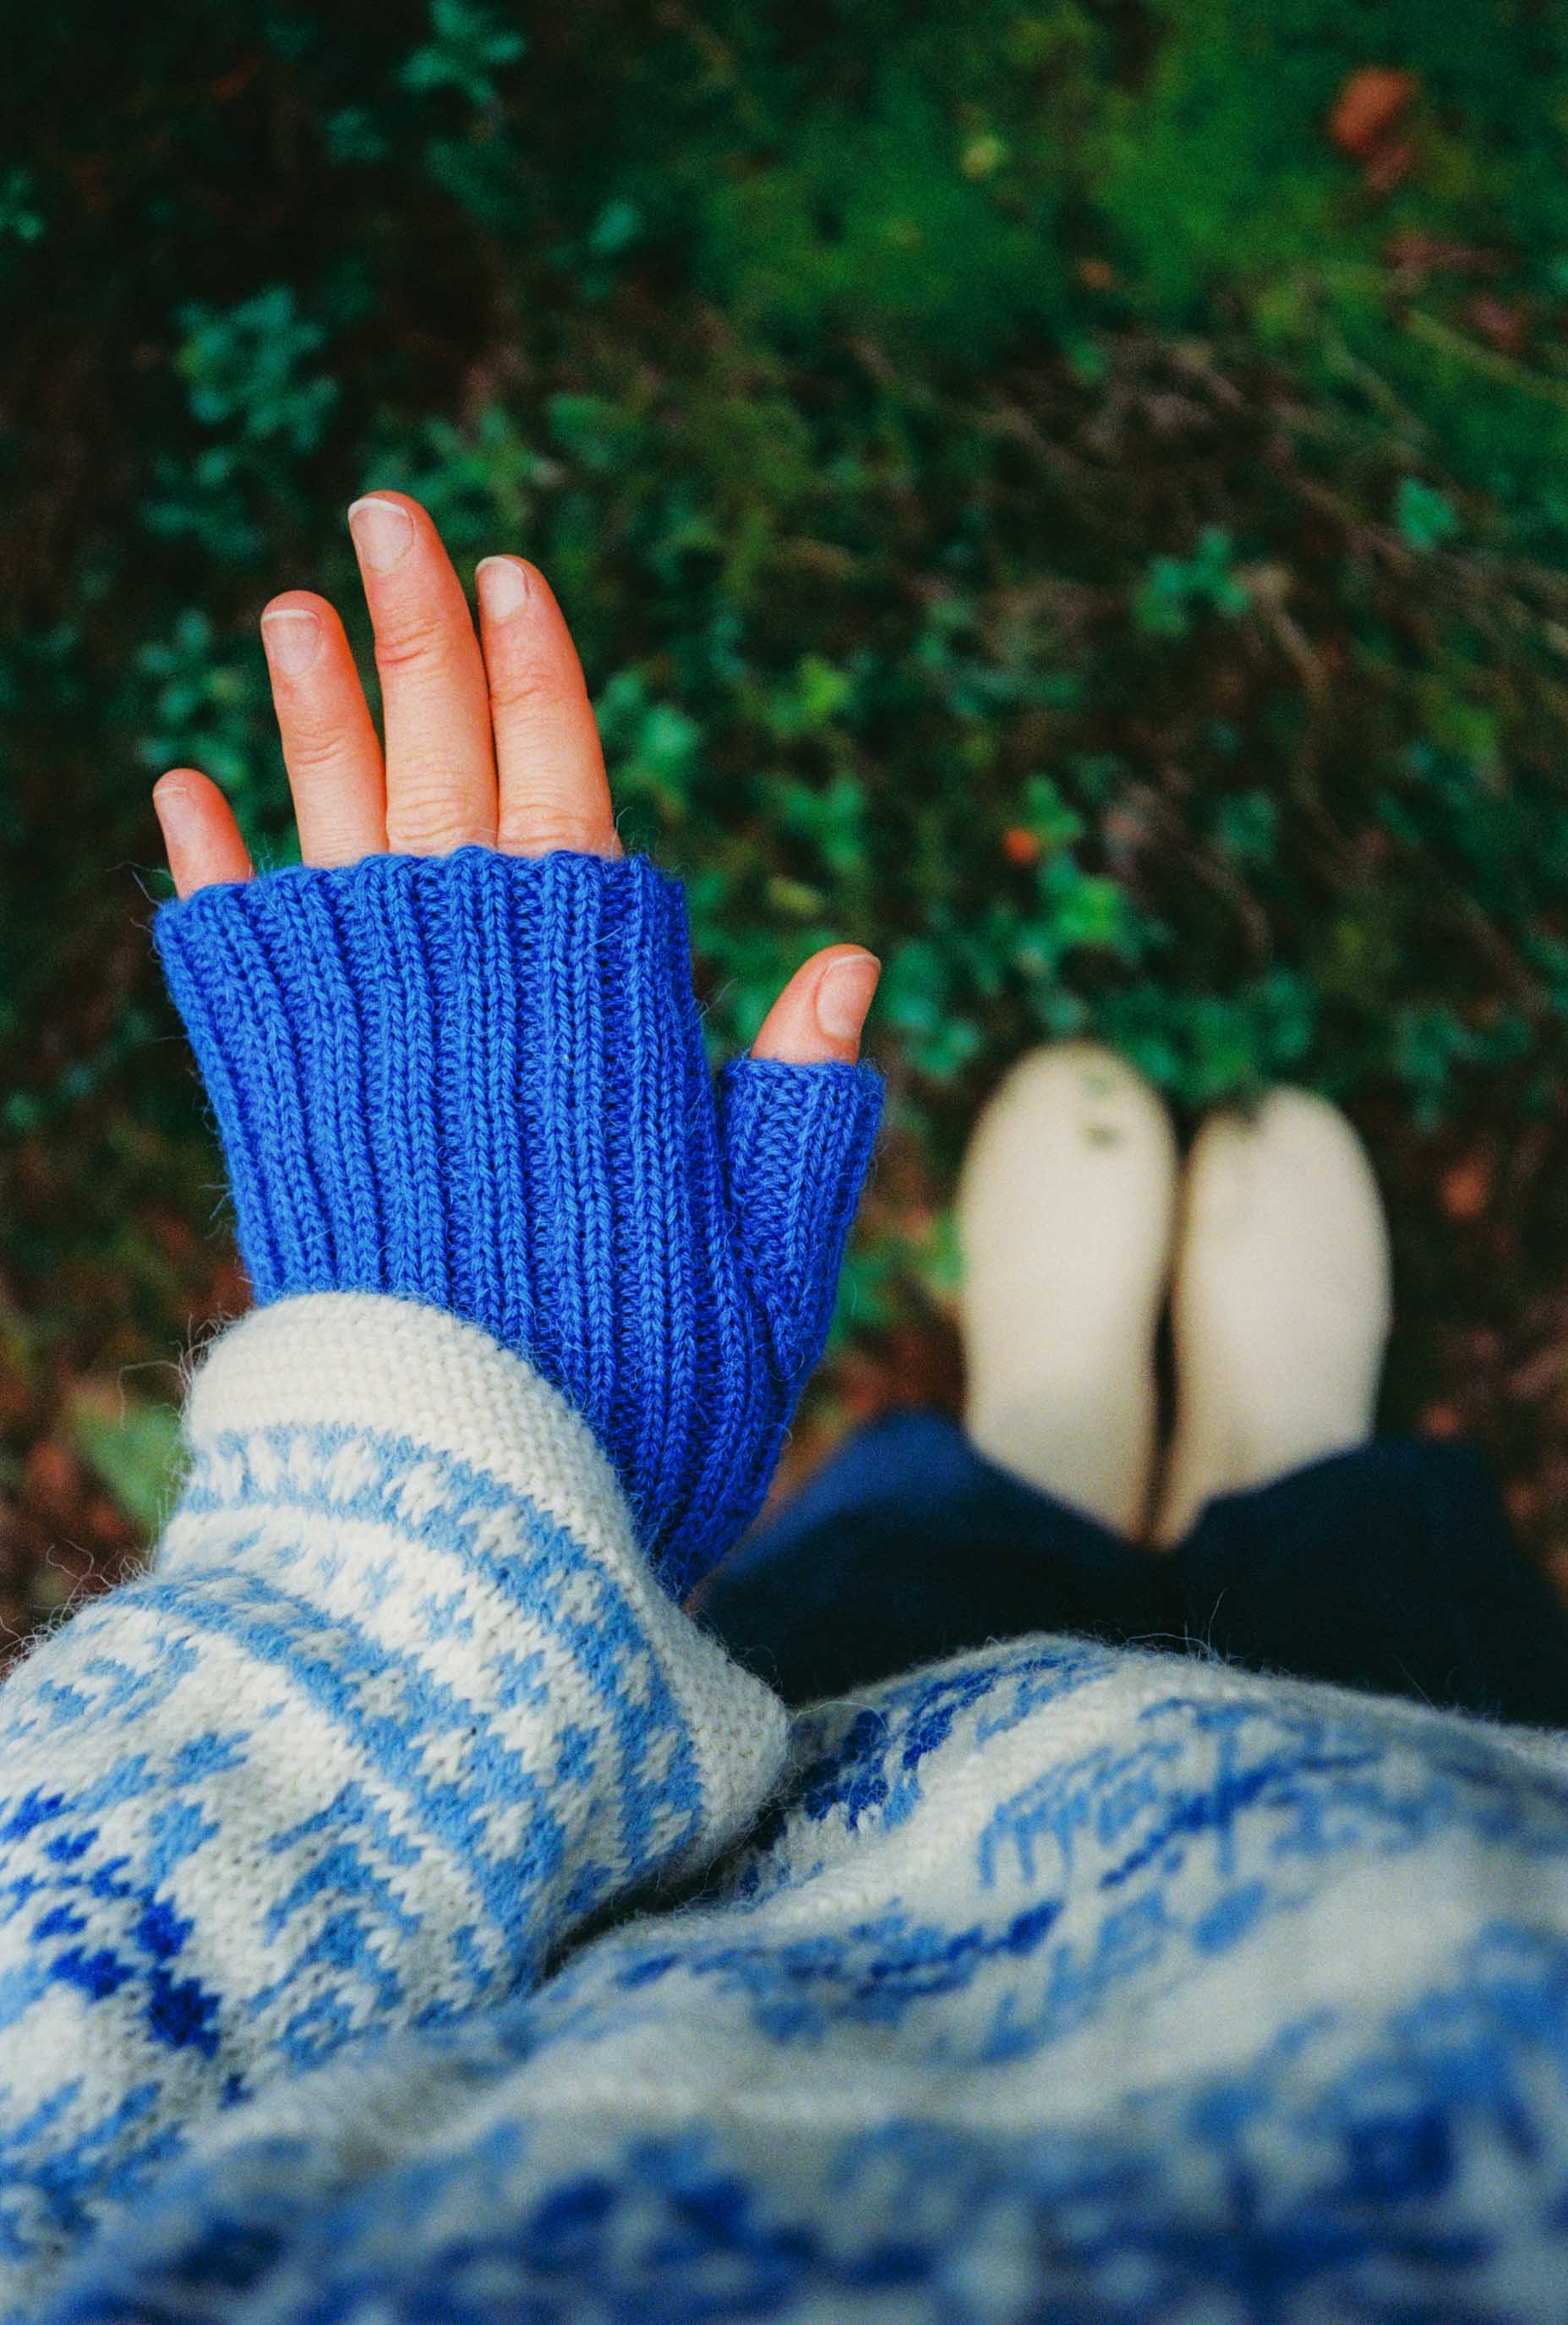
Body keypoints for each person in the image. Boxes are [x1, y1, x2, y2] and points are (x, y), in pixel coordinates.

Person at [5, 493, 1568, 2323]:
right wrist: (468, 1504)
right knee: (1370, 1590)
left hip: (760, 1855)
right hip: (1441, 1857)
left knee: (914, 1567)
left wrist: (518, 1489)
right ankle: (1280, 1462)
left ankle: (1048, 1452)